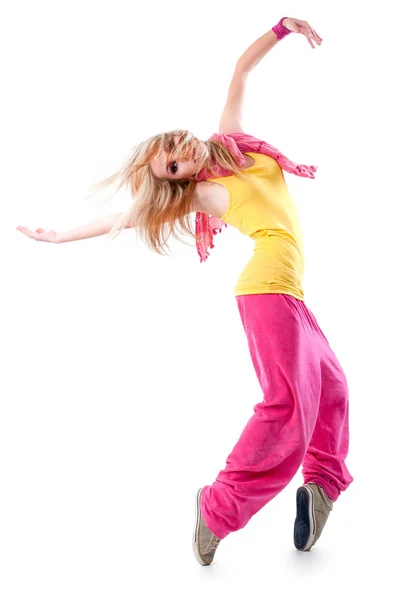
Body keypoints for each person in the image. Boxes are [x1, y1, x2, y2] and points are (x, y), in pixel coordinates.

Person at [16, 16, 353, 566]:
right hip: (266, 290)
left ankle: (320, 488)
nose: (179, 156)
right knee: (288, 405)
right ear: (175, 181)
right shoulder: (198, 195)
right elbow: (122, 218)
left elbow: (240, 71)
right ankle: (217, 509)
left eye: (172, 147)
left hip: (290, 292)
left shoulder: (231, 144)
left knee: (333, 390)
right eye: (170, 166)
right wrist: (58, 237)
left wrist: (283, 29)